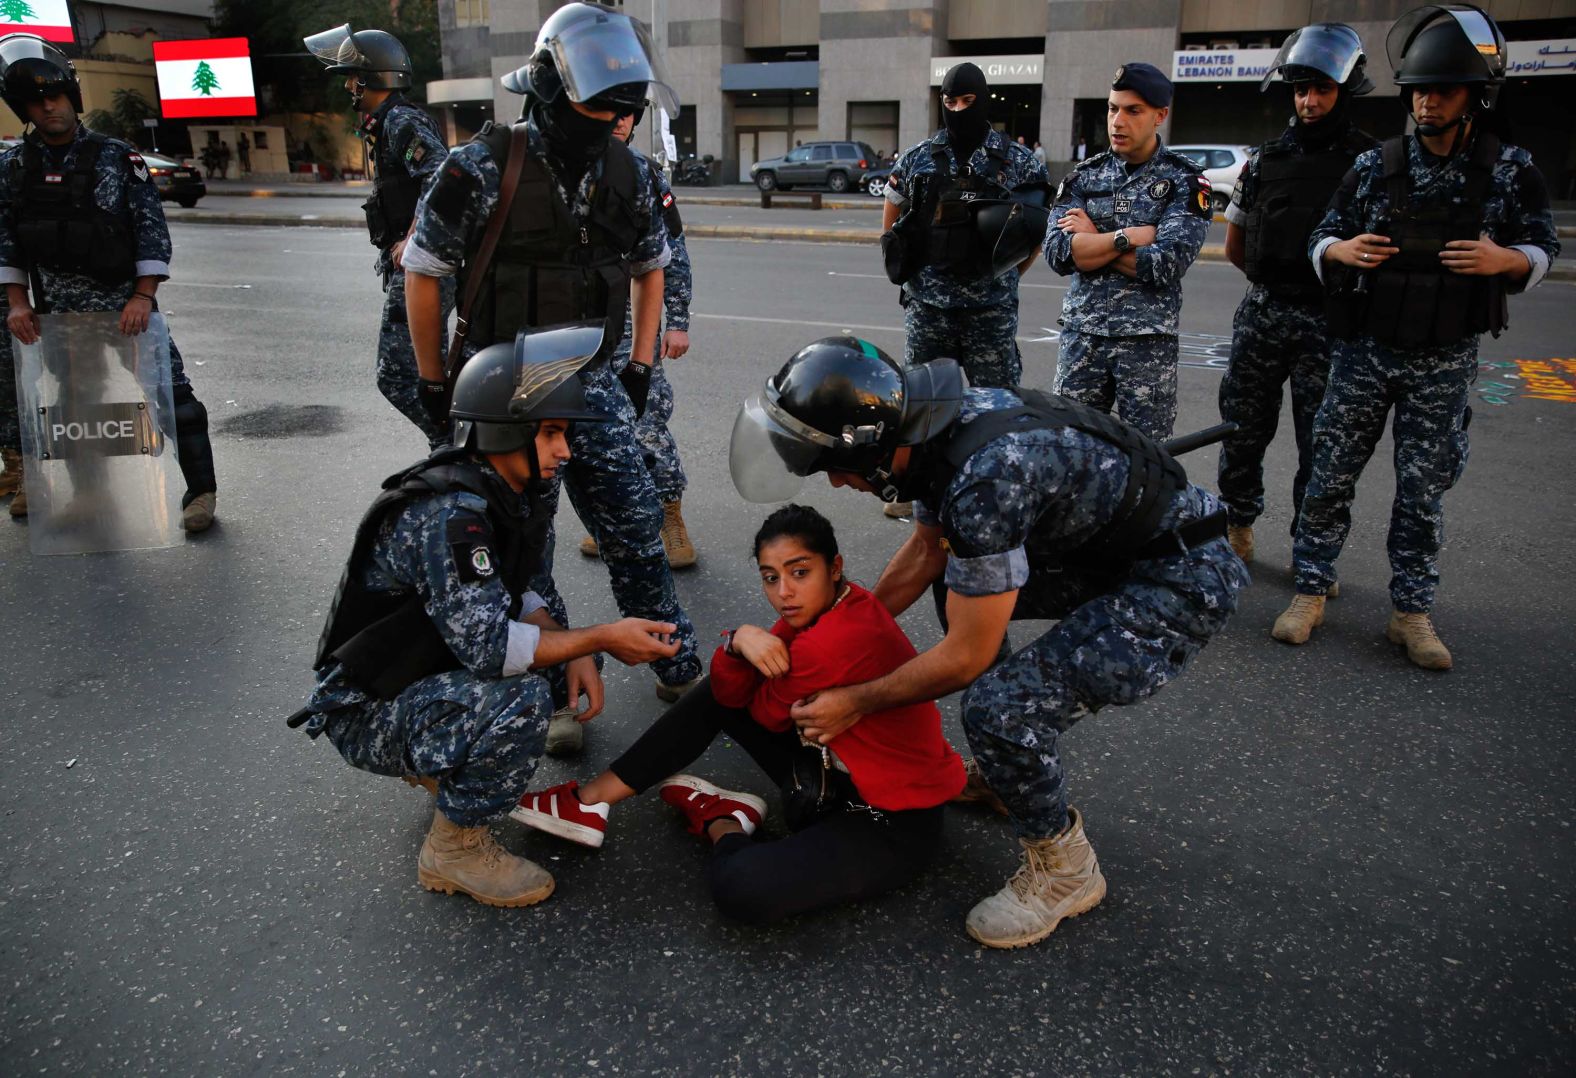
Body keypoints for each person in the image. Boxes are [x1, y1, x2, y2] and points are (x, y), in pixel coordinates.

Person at [728, 338, 1247, 948]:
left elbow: (967, 657)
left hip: (1178, 580)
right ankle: (1009, 779)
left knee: (999, 708)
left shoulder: (985, 478)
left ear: (868, 449)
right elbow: (925, 550)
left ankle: (1065, 870)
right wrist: (827, 627)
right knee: (957, 580)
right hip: (1112, 549)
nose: (838, 485)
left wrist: (856, 699)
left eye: (834, 468)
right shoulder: (927, 432)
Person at [290, 324, 683, 908]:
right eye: (551, 434)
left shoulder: (498, 492)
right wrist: (598, 638)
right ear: (507, 429)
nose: (565, 450)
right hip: (363, 707)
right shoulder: (451, 516)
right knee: (521, 699)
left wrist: (576, 649)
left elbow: (515, 591)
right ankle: (454, 850)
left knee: (549, 660)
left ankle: (442, 764)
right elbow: (493, 650)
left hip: (405, 674)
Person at [402, 3, 705, 715]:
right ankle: (556, 687)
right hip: (501, 387)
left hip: (591, 383)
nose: (607, 122)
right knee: (521, 551)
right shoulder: (477, 168)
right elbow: (423, 273)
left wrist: (638, 366)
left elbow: (650, 265)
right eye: (594, 106)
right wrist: (431, 379)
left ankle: (672, 656)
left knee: (633, 527)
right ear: (546, 88)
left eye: (618, 110)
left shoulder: (626, 172)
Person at [1272, 3, 1559, 669]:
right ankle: (1311, 590)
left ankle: (1411, 612)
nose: (1427, 103)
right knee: (1328, 477)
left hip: (1444, 359)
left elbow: (1540, 247)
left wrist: (1507, 261)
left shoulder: (1510, 169)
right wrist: (1340, 252)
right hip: (1363, 354)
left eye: (1443, 91)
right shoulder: (1377, 165)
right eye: (1420, 91)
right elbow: (1323, 235)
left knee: (1423, 492)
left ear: (1476, 97)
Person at [514, 503, 966, 924]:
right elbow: (731, 693)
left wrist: (739, 644)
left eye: (800, 572)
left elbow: (763, 713)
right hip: (837, 775)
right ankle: (589, 803)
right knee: (724, 687)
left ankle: (722, 818)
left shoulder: (831, 639)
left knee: (741, 887)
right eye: (771, 578)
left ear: (836, 567)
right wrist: (737, 639)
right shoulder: (833, 604)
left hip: (893, 821)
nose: (785, 593)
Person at [0, 34, 218, 530]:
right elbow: (6, 240)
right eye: (37, 100)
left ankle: (200, 495)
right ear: (25, 109)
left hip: (126, 309)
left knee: (174, 400)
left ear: (72, 98)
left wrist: (143, 296)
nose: (48, 106)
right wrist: (17, 301)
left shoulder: (118, 158)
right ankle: (90, 496)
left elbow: (150, 232)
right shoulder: (12, 168)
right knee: (76, 407)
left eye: (55, 96)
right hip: (57, 314)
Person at [1218, 24, 1378, 569]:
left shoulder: (1371, 165)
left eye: (1321, 90)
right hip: (1263, 315)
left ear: (1345, 90)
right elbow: (1237, 244)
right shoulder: (1265, 160)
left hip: (1329, 323)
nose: (1308, 101)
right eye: (1300, 89)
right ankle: (1237, 526)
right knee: (1242, 431)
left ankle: (1310, 554)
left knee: (1323, 446)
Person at [881, 62, 1048, 517]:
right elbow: (893, 222)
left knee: (997, 404)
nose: (956, 109)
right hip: (928, 307)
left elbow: (1032, 235)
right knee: (923, 402)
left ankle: (1002, 488)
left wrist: (1002, 276)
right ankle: (917, 487)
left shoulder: (1018, 161)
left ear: (984, 99)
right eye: (949, 101)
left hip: (988, 312)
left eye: (966, 101)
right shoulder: (919, 157)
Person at [305, 22, 454, 448]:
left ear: (374, 77)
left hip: (425, 269)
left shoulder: (401, 120)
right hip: (418, 269)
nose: (350, 86)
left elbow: (440, 176)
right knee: (430, 371)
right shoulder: (387, 122)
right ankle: (449, 444)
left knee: (397, 375)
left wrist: (414, 238)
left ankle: (449, 441)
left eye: (353, 77)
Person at [1046, 62, 1212, 440]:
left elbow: (1166, 263)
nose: (1118, 121)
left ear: (1160, 115)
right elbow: (1058, 253)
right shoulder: (1084, 177)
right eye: (1112, 108)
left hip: (1146, 346)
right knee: (1071, 452)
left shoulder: (1184, 180)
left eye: (1132, 111)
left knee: (1148, 459)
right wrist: (1127, 237)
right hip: (1082, 339)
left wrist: (1092, 239)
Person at [579, 105, 697, 575]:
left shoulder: (645, 174)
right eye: (612, 109)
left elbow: (674, 253)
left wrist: (678, 320)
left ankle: (669, 515)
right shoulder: (565, 169)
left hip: (635, 326)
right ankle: (614, 516)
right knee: (593, 428)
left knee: (647, 421)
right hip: (579, 325)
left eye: (630, 112)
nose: (621, 119)